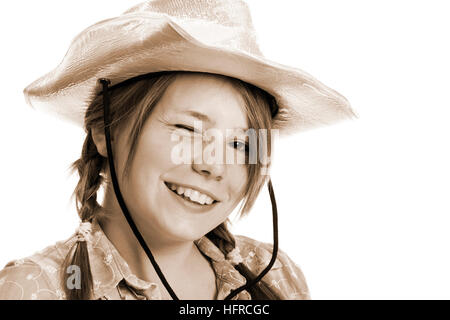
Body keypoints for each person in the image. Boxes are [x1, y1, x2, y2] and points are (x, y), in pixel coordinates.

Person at [0, 0, 355, 300]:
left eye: (240, 144)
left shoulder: (273, 276)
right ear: (105, 130)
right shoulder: (36, 289)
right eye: (187, 129)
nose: (213, 166)